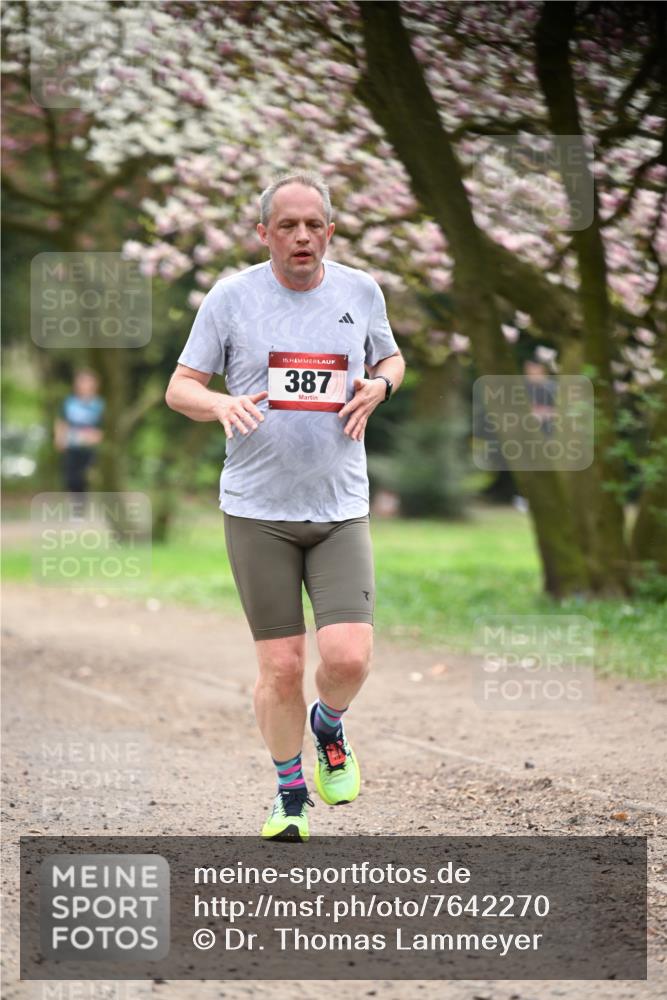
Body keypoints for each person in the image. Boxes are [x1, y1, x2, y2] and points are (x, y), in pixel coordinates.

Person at [165, 172, 405, 842]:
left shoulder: (360, 290)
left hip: (339, 506)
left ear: (329, 230)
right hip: (257, 510)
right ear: (262, 232)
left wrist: (380, 386)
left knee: (348, 657)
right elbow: (180, 387)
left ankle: (328, 726)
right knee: (280, 666)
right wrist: (218, 403)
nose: (302, 236)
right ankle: (289, 792)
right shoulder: (231, 297)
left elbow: (390, 358)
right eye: (288, 225)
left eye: (314, 225)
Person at [54, 369, 105, 514]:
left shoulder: (99, 405)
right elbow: (62, 421)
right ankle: (76, 509)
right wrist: (59, 438)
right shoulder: (69, 402)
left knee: (86, 478)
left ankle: (84, 508)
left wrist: (96, 437)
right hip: (72, 446)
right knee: (71, 479)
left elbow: (103, 427)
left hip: (89, 449)